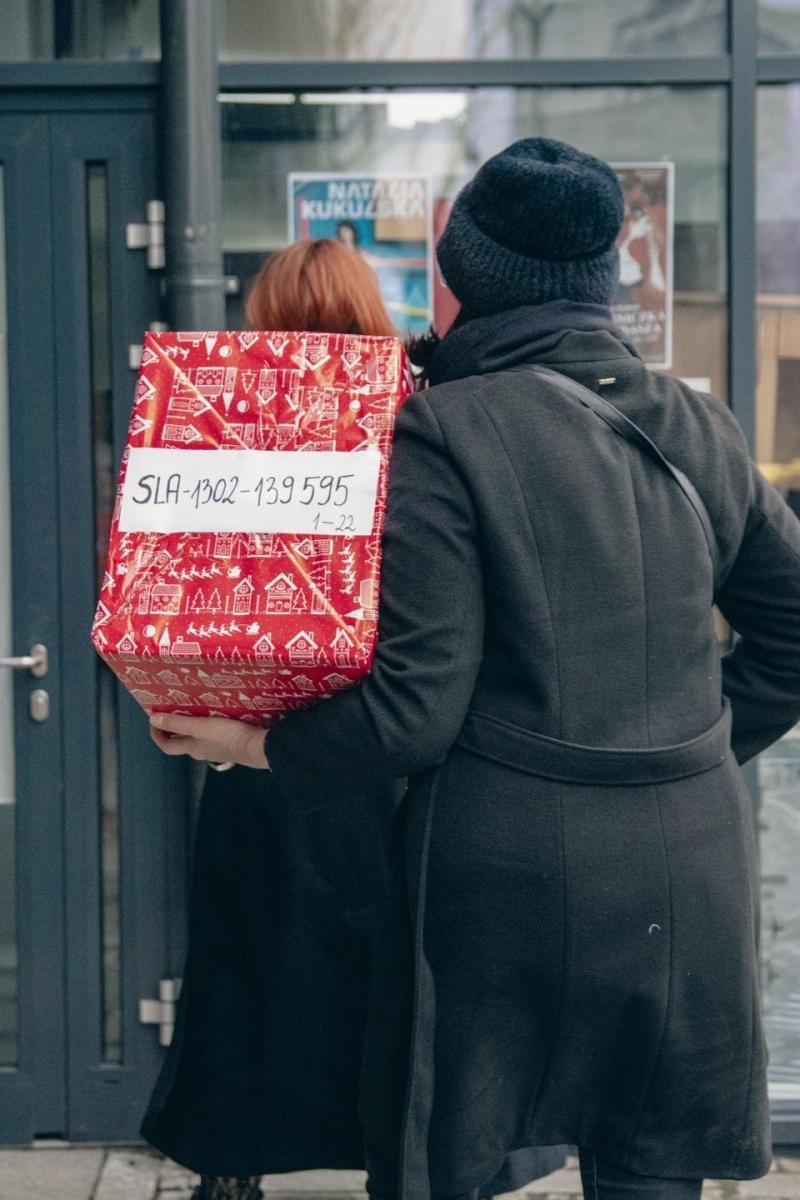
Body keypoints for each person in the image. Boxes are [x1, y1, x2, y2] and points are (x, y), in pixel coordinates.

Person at [148, 139, 800, 1200]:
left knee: (438, 1159)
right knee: (647, 1170)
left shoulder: (443, 431)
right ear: (605, 280)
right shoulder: (700, 426)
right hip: (687, 865)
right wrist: (692, 750)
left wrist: (254, 743)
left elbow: (411, 710)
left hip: (501, 875)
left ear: (454, 282)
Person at [141, 236, 564, 1200]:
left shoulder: (227, 417)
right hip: (393, 739)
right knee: (399, 979)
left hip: (266, 743)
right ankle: (404, 1161)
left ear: (261, 319)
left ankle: (231, 1161)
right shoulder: (423, 415)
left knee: (253, 967)